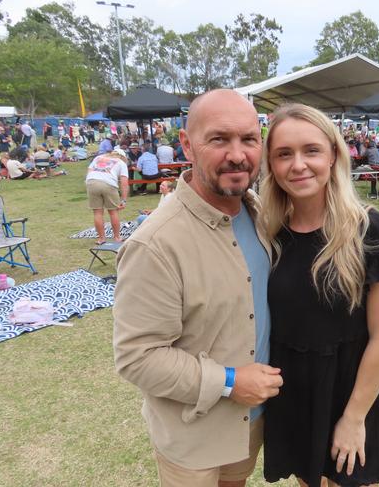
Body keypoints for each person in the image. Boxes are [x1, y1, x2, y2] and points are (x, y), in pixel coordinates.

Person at [114, 89, 281, 487]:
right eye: (219, 139)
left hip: (251, 422)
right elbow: (137, 357)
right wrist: (229, 381)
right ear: (188, 145)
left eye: (249, 139)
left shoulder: (259, 213)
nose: (238, 155)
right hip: (193, 436)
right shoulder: (155, 244)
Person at [260, 103, 379, 487]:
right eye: (284, 154)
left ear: (333, 154)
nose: (298, 164)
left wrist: (353, 418)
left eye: (311, 150)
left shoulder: (376, 235)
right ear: (271, 164)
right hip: (292, 391)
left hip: (351, 392)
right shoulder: (267, 232)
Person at [85, 147, 129, 244]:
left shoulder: (98, 158)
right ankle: (117, 237)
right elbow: (124, 183)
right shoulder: (121, 163)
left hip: (91, 182)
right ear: (123, 157)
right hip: (108, 184)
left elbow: (89, 172)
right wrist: (124, 200)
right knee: (113, 212)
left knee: (97, 213)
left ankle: (101, 238)